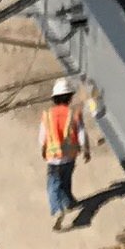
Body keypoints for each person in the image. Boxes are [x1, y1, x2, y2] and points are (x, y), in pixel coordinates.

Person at [40, 78, 85, 226]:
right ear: (70, 98)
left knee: (53, 185)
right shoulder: (74, 114)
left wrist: (43, 149)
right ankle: (69, 202)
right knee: (66, 180)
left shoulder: (47, 115)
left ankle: (57, 209)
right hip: (70, 156)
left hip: (53, 157)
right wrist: (86, 150)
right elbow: (81, 134)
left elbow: (42, 137)